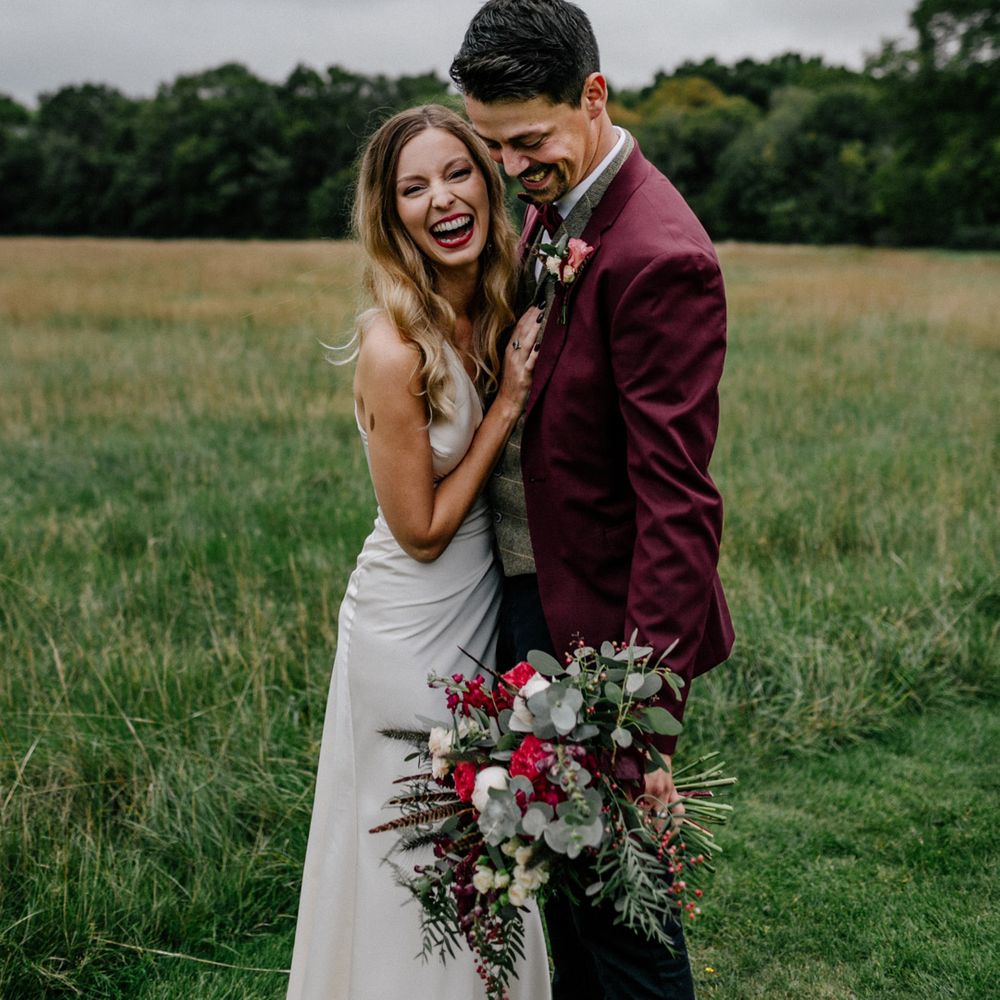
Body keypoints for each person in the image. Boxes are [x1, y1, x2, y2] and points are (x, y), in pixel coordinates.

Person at [450, 2, 735, 998]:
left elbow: (678, 505)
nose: (511, 167)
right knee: (564, 897)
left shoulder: (661, 255)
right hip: (534, 604)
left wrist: (636, 724)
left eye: (527, 140)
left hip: (597, 637)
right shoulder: (553, 209)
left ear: (594, 97)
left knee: (624, 925)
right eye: (492, 146)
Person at [285, 105, 551, 999]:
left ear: (488, 179)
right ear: (392, 214)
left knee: (487, 843)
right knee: (417, 851)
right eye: (413, 187)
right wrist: (507, 399)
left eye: (458, 173)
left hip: (484, 617)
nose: (441, 198)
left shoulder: (506, 298)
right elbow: (423, 528)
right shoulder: (392, 344)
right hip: (407, 626)